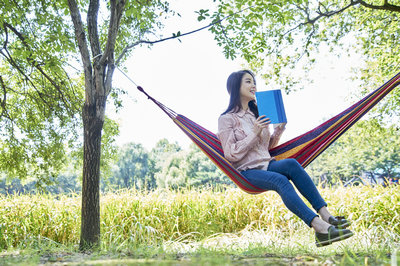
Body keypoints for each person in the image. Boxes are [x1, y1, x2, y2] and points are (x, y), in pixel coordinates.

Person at [217, 70, 354, 247]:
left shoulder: (257, 114)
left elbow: (267, 148)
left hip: (267, 165)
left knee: (291, 164)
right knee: (281, 180)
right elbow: (231, 154)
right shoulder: (227, 119)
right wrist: (254, 132)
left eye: (254, 82)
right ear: (236, 87)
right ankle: (319, 228)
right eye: (248, 82)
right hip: (248, 172)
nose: (254, 86)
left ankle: (326, 215)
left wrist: (278, 131)